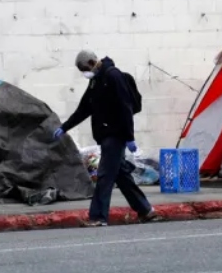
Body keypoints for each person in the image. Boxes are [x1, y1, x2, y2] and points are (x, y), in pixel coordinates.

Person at [53, 50, 162, 227]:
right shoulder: (95, 82)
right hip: (106, 135)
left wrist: (129, 137)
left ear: (91, 62)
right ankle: (146, 211)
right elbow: (84, 109)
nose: (84, 73)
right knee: (121, 176)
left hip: (116, 134)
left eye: (83, 69)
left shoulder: (113, 76)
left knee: (104, 176)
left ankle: (98, 217)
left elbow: (125, 106)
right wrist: (64, 127)